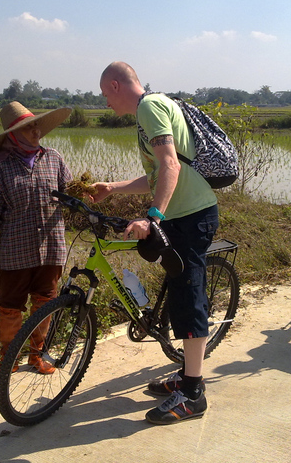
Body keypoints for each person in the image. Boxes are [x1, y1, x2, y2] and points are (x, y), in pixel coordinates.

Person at [91, 61, 219, 424]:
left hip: (192, 216)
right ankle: (186, 374)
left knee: (189, 297)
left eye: (104, 95)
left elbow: (171, 166)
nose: (105, 104)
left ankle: (193, 394)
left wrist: (153, 218)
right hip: (183, 215)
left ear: (116, 85)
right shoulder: (152, 108)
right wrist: (113, 188)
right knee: (178, 292)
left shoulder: (149, 107)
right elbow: (157, 173)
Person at [0, 101, 72, 381]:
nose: (35, 130)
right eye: (27, 127)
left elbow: (69, 193)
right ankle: (8, 361)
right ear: (12, 134)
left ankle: (37, 355)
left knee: (45, 302)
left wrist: (84, 196)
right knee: (10, 306)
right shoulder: (0, 167)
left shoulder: (53, 158)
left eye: (35, 124)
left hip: (52, 246)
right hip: (16, 249)